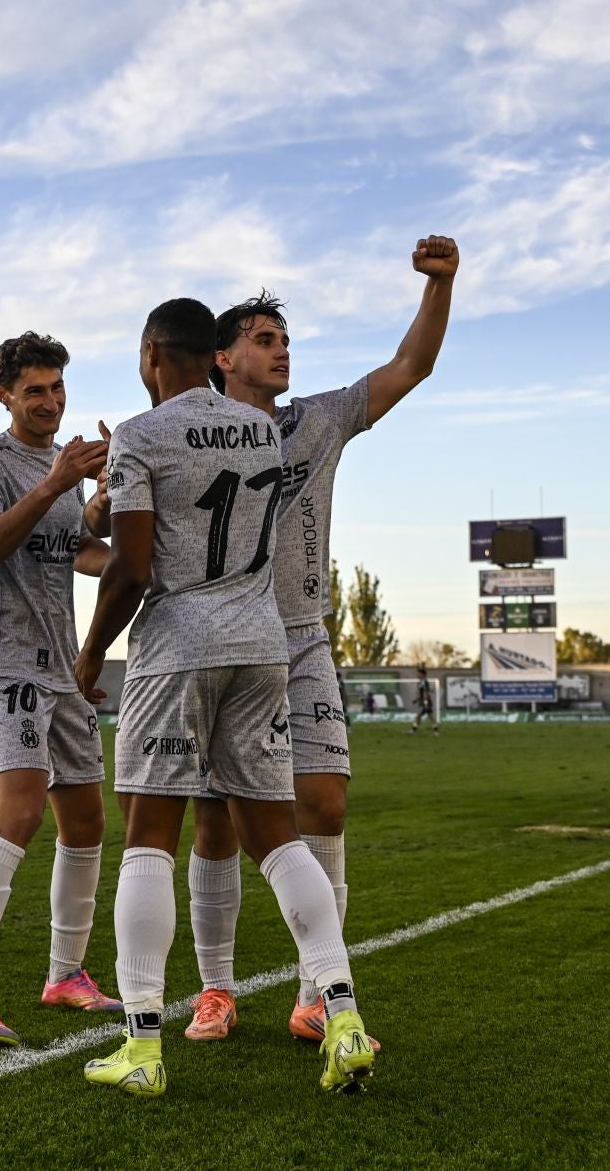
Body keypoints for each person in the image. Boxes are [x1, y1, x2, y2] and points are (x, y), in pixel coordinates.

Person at [75, 297, 374, 1099]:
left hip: (177, 649)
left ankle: (142, 1041)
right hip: (263, 646)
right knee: (278, 840)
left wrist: (92, 649)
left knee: (149, 837)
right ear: (211, 352)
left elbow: (131, 567)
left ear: (151, 354)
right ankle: (341, 1012)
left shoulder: (138, 434)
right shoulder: (259, 429)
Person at [184, 235, 458, 1045]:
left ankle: (316, 995)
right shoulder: (192, 431)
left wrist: (440, 286)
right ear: (224, 358)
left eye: (285, 339)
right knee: (215, 822)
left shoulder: (319, 419)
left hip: (302, 639)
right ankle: (215, 990)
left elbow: (410, 365)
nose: (282, 351)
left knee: (326, 805)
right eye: (264, 339)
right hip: (219, 641)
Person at [0, 332, 120, 1049]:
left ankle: (65, 973)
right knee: (20, 813)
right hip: (4, 663)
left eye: (57, 387)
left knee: (87, 822)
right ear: (3, 395)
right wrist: (55, 483)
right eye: (34, 390)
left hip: (63, 669)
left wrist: (113, 511)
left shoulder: (65, 469)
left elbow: (83, 553)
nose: (50, 401)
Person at [409, 666, 438, 736]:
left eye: (419, 673)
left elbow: (426, 693)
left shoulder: (424, 682)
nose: (417, 675)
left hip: (425, 702)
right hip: (424, 701)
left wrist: (426, 703)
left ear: (423, 675)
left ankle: (413, 731)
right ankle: (436, 732)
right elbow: (422, 694)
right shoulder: (420, 682)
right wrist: (417, 699)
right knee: (430, 717)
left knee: (418, 716)